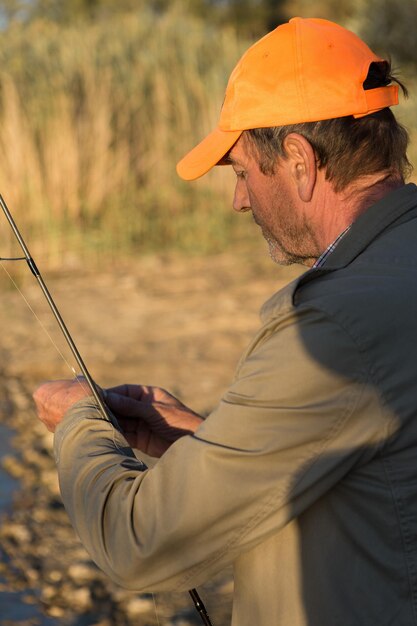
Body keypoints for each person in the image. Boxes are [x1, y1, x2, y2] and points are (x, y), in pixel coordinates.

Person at [33, 17, 417, 626]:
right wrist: (207, 439)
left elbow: (142, 541)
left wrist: (78, 419)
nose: (239, 200)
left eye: (241, 172)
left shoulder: (336, 328)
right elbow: (372, 474)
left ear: (298, 159)